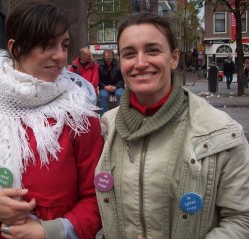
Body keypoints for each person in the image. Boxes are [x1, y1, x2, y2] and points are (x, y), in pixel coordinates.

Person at [0, 1, 103, 239]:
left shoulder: (78, 115)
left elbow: (97, 198)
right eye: (47, 44)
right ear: (15, 47)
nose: (61, 56)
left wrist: (49, 232)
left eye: (64, 45)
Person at [95, 12, 249, 239]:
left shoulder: (222, 133)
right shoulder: (106, 127)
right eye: (129, 54)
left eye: (152, 50)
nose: (140, 63)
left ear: (174, 58)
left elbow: (241, 219)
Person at [98, 49, 124, 115]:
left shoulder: (119, 65)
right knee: (103, 96)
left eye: (110, 58)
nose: (108, 60)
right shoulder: (99, 66)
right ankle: (104, 117)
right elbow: (98, 80)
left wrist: (116, 86)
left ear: (113, 57)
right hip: (104, 87)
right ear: (103, 57)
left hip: (117, 86)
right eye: (107, 59)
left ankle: (121, 116)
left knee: (120, 94)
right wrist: (105, 87)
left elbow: (122, 79)